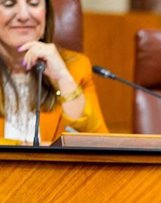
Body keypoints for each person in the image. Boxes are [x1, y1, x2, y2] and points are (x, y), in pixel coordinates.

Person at [0, 0, 107, 145]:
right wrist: (25, 149)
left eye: (33, 3)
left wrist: (62, 78)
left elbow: (101, 147)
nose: (24, 16)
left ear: (46, 14)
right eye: (9, 4)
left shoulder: (75, 67)